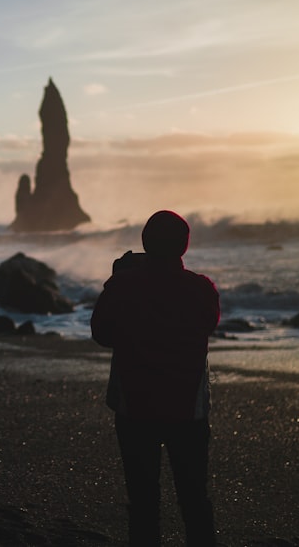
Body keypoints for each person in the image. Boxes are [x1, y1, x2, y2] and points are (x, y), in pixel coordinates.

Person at [91, 210, 220, 546]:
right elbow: (209, 324)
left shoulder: (124, 285)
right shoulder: (201, 288)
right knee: (194, 499)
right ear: (184, 246)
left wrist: (117, 279)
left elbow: (101, 332)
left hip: (135, 406)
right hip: (188, 408)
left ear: (145, 243)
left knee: (144, 502)